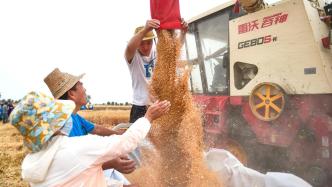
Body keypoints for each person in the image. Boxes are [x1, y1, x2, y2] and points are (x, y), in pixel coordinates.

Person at [9, 92, 170, 187]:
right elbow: (125, 144)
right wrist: (148, 117)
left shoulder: (31, 165)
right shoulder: (73, 148)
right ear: (55, 122)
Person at [44, 68, 136, 184]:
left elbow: (96, 128)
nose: (85, 88)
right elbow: (75, 166)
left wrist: (118, 134)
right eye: (81, 84)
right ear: (71, 94)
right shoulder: (63, 126)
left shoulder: (74, 117)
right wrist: (111, 163)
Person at [125, 19, 188, 123]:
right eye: (142, 43)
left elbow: (174, 50)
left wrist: (183, 33)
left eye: (149, 43)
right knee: (138, 138)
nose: (146, 47)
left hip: (159, 106)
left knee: (161, 139)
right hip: (140, 107)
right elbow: (129, 47)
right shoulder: (132, 56)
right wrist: (145, 30)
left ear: (153, 41)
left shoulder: (158, 52)